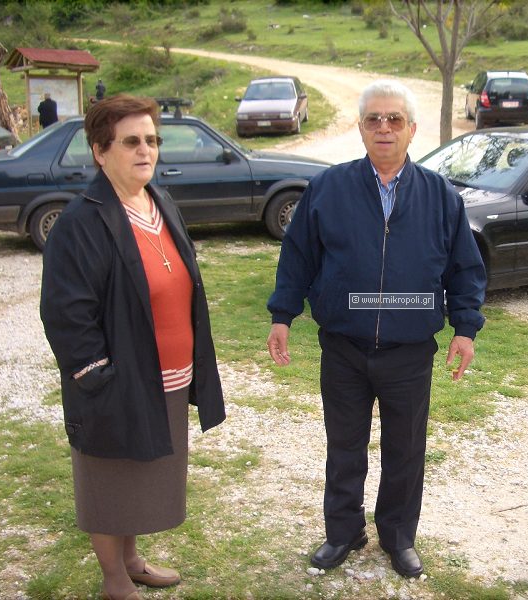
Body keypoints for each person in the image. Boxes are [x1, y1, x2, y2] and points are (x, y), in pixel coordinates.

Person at [266, 80, 486, 578]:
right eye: (373, 120)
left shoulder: (440, 196)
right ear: (361, 128)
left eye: (394, 120)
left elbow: (465, 269)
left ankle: (398, 536)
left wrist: (465, 328)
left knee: (405, 451)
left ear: (412, 129)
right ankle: (343, 532)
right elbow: (297, 256)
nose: (383, 128)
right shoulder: (329, 188)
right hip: (344, 345)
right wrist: (283, 315)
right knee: (344, 447)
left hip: (409, 351)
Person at [40, 94, 226, 600]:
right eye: (131, 142)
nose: (146, 150)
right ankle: (114, 580)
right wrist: (96, 374)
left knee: (140, 477)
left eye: (152, 140)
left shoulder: (158, 201)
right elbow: (65, 312)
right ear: (100, 152)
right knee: (109, 481)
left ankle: (132, 560)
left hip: (167, 376)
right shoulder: (81, 221)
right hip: (117, 380)